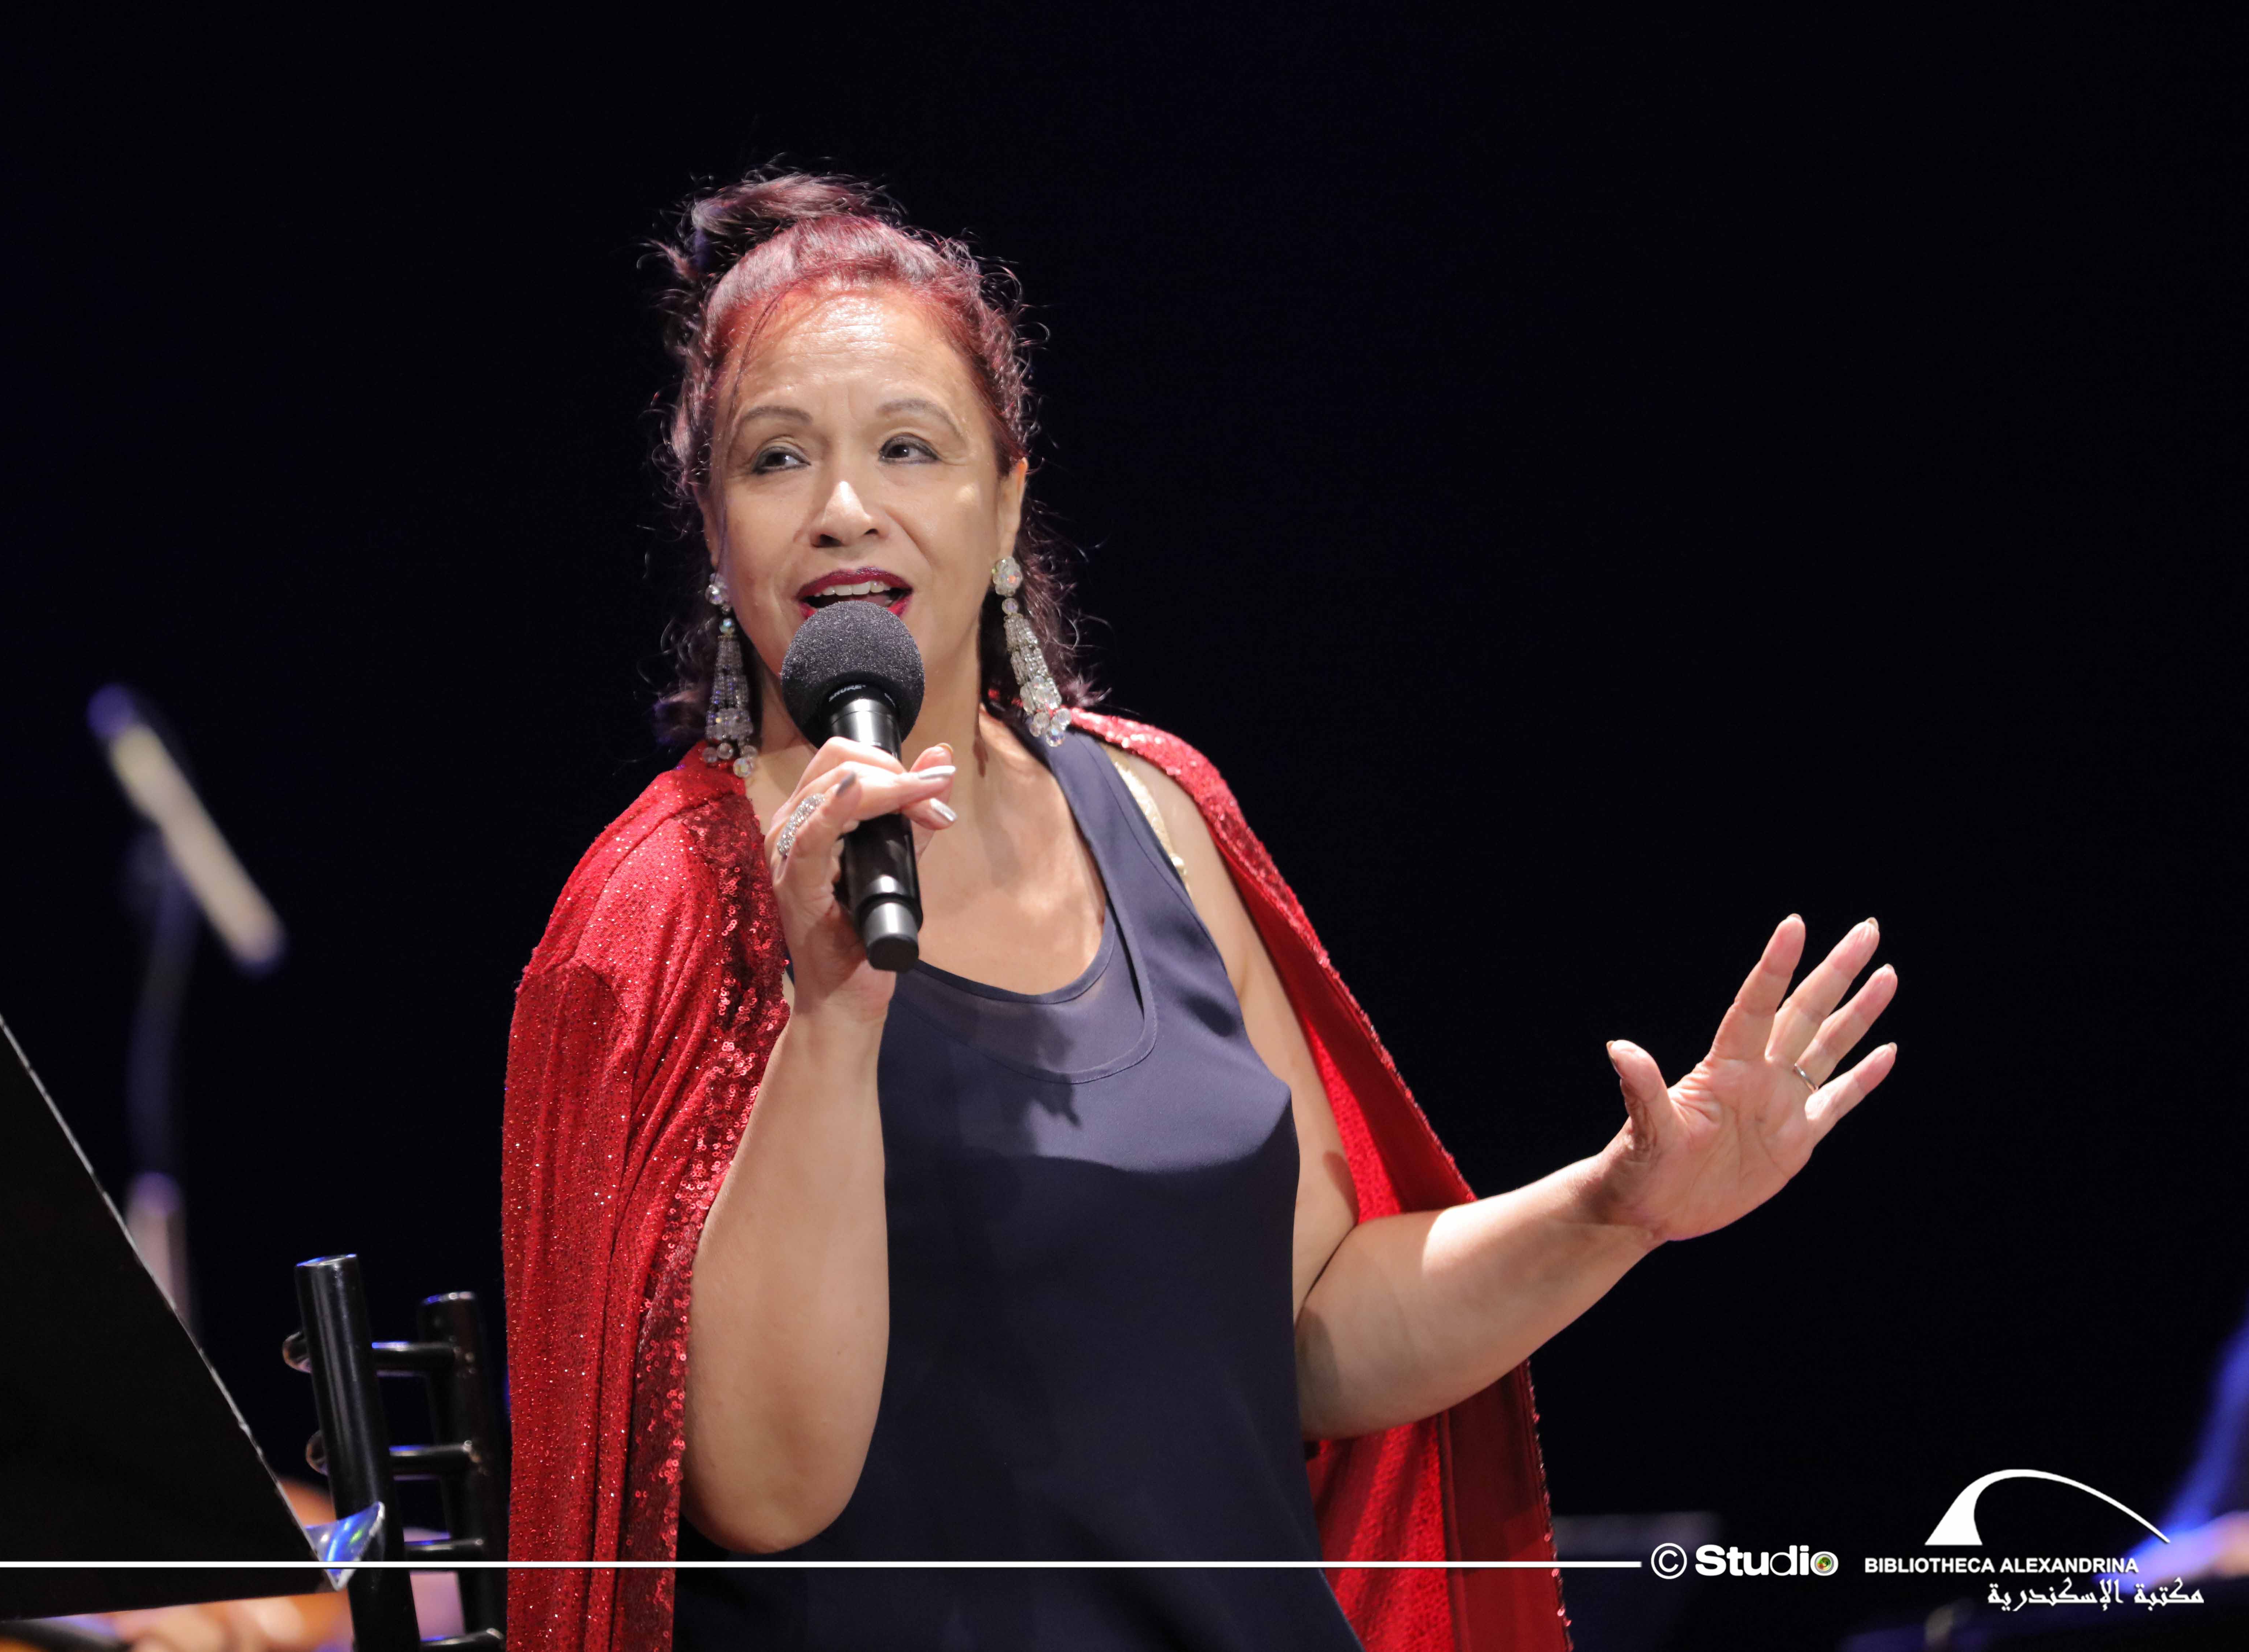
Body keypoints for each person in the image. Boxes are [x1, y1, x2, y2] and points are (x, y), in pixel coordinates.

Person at [500, 173, 1900, 1652]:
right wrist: (833, 1023)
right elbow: (761, 1494)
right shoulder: (656, 907)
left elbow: (1311, 1328)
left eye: (909, 447)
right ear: (714, 524)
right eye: (777, 458)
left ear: (1005, 498)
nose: (846, 509)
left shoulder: (1155, 811)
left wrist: (1616, 1205)